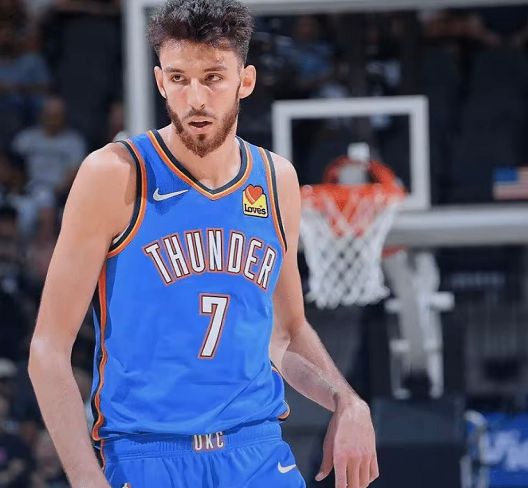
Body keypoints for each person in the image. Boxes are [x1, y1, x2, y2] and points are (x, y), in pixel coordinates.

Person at [28, 1, 379, 488]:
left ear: (245, 81)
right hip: (149, 456)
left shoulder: (275, 180)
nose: (195, 98)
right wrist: (88, 480)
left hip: (256, 452)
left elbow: (285, 332)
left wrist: (347, 400)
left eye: (213, 77)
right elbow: (48, 348)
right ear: (159, 82)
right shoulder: (114, 174)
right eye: (179, 78)